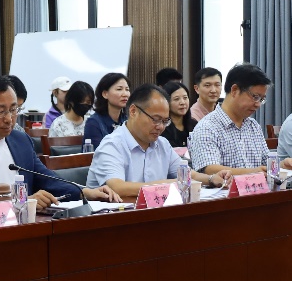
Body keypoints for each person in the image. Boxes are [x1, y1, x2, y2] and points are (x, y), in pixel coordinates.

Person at [0, 74, 120, 218]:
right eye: (0, 111)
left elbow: (47, 178)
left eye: (14, 109)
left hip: (24, 223)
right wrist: (24, 202)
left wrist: (85, 192)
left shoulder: (20, 140)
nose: (9, 118)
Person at [87, 84, 231, 197]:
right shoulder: (112, 145)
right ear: (133, 111)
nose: (161, 127)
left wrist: (211, 178)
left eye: (165, 121)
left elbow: (187, 175)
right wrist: (169, 185)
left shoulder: (162, 144)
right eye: (155, 119)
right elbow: (118, 187)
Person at [188, 65, 292, 177]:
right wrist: (253, 172)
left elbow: (265, 163)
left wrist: (281, 166)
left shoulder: (253, 126)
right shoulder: (207, 127)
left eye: (262, 99)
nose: (258, 104)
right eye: (255, 97)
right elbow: (209, 170)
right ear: (234, 90)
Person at [85, 72, 130, 149]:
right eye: (119, 89)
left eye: (127, 89)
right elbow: (97, 154)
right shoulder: (94, 123)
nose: (125, 94)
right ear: (105, 94)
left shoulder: (128, 120)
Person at [160, 81, 196, 149]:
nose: (182, 102)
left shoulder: (194, 125)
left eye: (185, 98)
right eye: (176, 99)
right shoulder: (162, 128)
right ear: (166, 102)